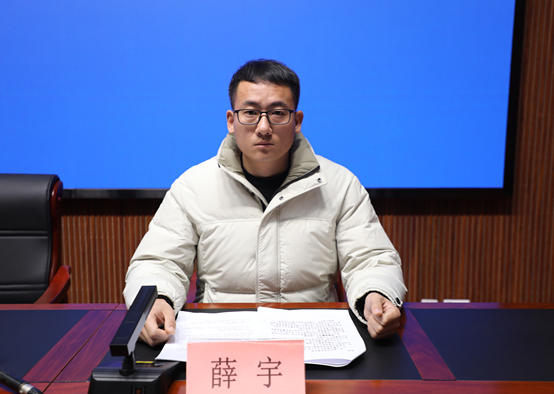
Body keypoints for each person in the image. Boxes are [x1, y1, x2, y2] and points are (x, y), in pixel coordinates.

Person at [124, 59, 407, 346]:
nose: (263, 127)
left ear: (297, 121)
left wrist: (376, 293)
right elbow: (159, 262)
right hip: (221, 341)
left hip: (312, 342)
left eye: (277, 113)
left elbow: (370, 259)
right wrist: (154, 300)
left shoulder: (340, 184)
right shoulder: (192, 186)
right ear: (231, 121)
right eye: (250, 112)